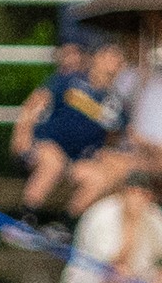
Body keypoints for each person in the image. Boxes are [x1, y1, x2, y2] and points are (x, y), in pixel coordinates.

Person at [13, 38, 131, 222]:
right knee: (53, 163)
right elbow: (34, 104)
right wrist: (22, 135)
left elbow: (113, 141)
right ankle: (25, 218)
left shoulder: (116, 105)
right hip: (44, 146)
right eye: (108, 55)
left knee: (99, 178)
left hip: (75, 160)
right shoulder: (70, 81)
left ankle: (64, 226)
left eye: (118, 59)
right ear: (95, 58)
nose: (113, 63)